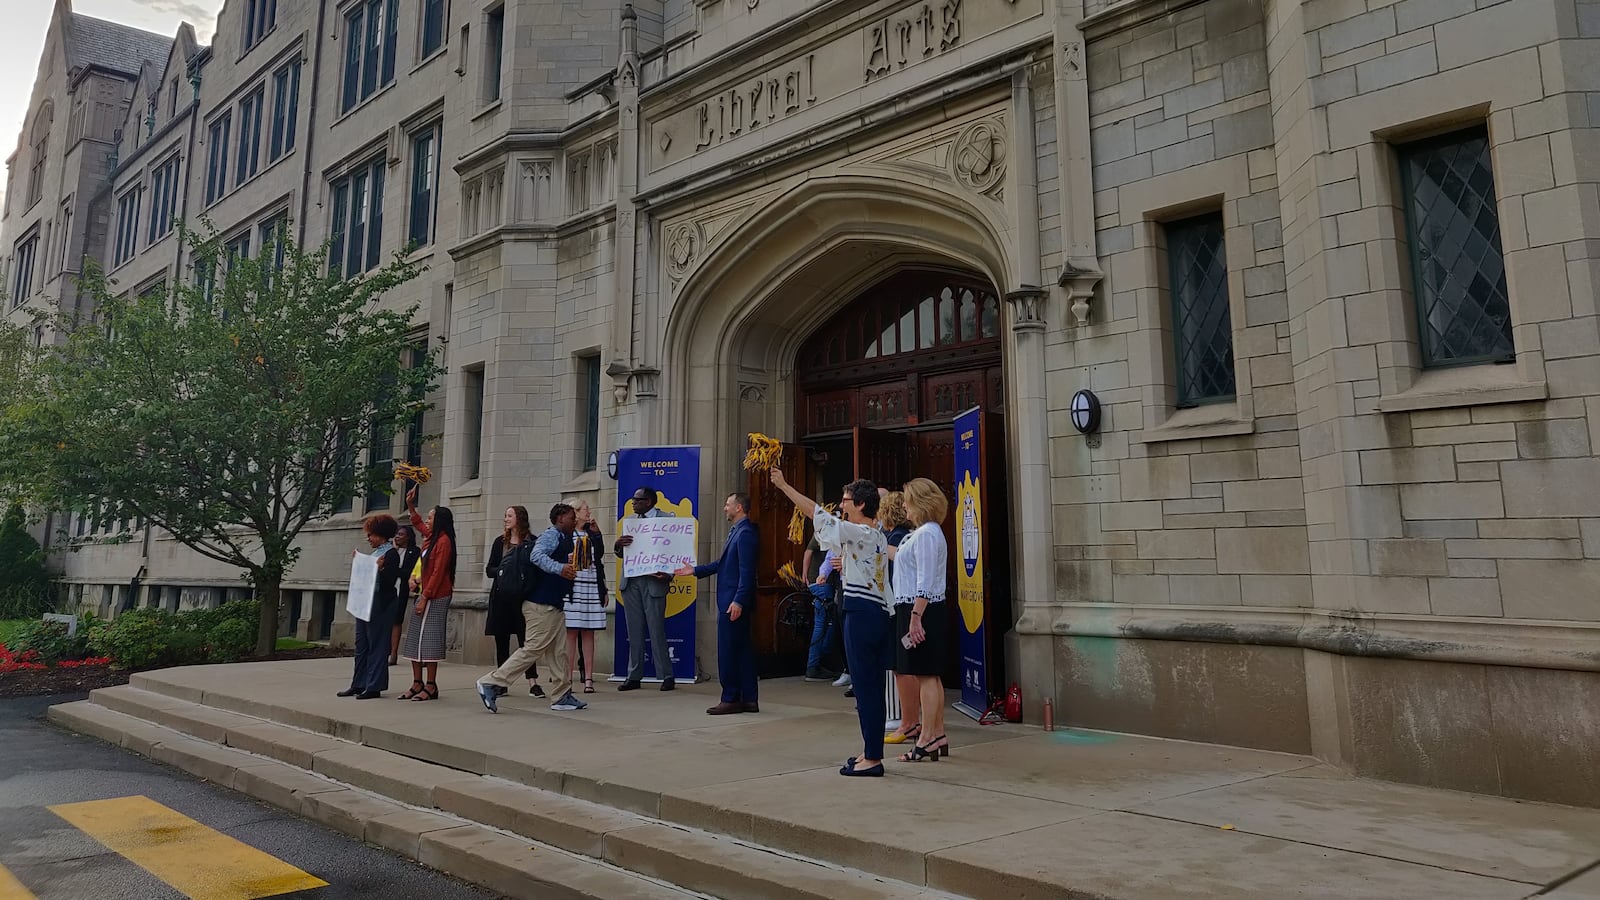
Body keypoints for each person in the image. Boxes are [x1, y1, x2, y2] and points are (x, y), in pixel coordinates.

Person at [769, 468, 893, 776]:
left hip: (861, 611)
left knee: (865, 686)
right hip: (875, 612)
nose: (842, 504)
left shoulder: (860, 531)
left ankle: (873, 758)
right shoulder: (874, 534)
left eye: (846, 499)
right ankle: (870, 749)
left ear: (861, 505)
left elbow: (815, 512)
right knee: (870, 685)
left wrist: (784, 485)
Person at [477, 503, 588, 713]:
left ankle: (561, 695)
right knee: (533, 649)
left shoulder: (564, 538)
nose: (575, 521)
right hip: (540, 606)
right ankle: (491, 682)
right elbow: (536, 556)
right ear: (560, 518)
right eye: (572, 517)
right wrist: (560, 568)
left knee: (559, 652)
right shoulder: (551, 536)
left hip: (553, 604)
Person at [676, 493, 759, 715]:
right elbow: (722, 564)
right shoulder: (737, 532)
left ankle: (731, 697)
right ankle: (748, 699)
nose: (724, 508)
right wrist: (695, 570)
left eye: (727, 504)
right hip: (731, 601)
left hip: (732, 603)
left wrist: (739, 600)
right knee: (741, 651)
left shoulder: (746, 533)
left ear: (739, 508)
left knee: (729, 651)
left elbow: (747, 572)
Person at [893, 478, 950, 762]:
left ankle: (927, 737)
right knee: (929, 674)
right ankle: (937, 733)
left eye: (907, 500)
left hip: (921, 608)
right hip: (918, 607)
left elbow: (925, 579)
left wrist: (916, 616)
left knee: (926, 675)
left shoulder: (927, 533)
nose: (903, 505)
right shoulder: (923, 533)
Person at [614, 487, 676, 691]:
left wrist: (669, 574)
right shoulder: (630, 521)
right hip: (632, 581)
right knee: (634, 631)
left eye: (637, 500)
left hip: (654, 582)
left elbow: (676, 550)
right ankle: (634, 676)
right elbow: (624, 554)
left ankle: (666, 676)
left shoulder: (666, 519)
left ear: (648, 501)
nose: (633, 503)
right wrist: (618, 545)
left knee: (656, 629)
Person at [400, 488, 456, 701]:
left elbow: (438, 572)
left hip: (436, 595)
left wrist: (425, 597)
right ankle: (417, 683)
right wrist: (411, 505)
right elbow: (417, 523)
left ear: (440, 521)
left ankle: (431, 685)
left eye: (431, 517)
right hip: (424, 593)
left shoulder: (443, 542)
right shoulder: (431, 537)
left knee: (430, 640)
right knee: (415, 638)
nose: (428, 521)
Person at [341, 514, 403, 699]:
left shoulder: (390, 554)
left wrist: (379, 569)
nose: (368, 538)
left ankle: (374, 685)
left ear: (382, 535)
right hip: (364, 602)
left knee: (377, 644)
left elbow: (389, 582)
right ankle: (359, 683)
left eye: (372, 535)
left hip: (380, 604)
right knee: (362, 645)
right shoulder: (374, 554)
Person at [485, 506, 542, 698]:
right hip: (502, 597)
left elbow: (537, 569)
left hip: (523, 598)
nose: (506, 519)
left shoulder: (532, 542)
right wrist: (505, 569)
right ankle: (500, 682)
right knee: (501, 640)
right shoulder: (500, 543)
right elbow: (489, 569)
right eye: (505, 515)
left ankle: (533, 682)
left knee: (526, 641)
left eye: (509, 515)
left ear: (520, 518)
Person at [878, 491, 921, 745]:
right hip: (901, 606)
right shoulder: (901, 537)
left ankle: (908, 721)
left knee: (903, 668)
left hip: (901, 606)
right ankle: (910, 720)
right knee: (900, 667)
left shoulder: (898, 538)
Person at [563, 498, 609, 694]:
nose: (588, 511)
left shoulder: (591, 533)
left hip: (591, 586)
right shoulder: (566, 534)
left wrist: (597, 534)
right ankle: (567, 678)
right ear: (575, 512)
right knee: (571, 633)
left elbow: (599, 559)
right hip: (573, 587)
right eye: (585, 509)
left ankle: (588, 678)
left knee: (589, 632)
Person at [803, 549, 842, 682]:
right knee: (827, 625)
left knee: (824, 625)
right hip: (823, 584)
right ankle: (818, 663)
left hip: (821, 582)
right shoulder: (830, 532)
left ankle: (817, 663)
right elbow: (810, 551)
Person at [388, 525, 421, 667]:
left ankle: (394, 653)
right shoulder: (390, 551)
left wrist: (396, 571)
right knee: (387, 621)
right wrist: (394, 552)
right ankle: (387, 651)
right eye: (396, 534)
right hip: (388, 588)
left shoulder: (414, 551)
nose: (397, 536)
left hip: (402, 590)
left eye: (401, 534)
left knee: (396, 620)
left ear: (408, 536)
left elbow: (410, 572)